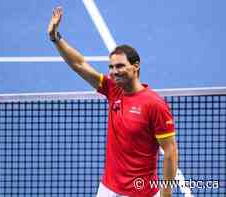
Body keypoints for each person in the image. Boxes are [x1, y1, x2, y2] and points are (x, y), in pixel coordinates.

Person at [48, 7, 178, 197]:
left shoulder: (154, 104)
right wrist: (55, 37)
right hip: (108, 190)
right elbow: (79, 64)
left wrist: (166, 194)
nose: (114, 71)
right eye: (111, 66)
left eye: (120, 66)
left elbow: (170, 151)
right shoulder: (113, 90)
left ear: (135, 67)